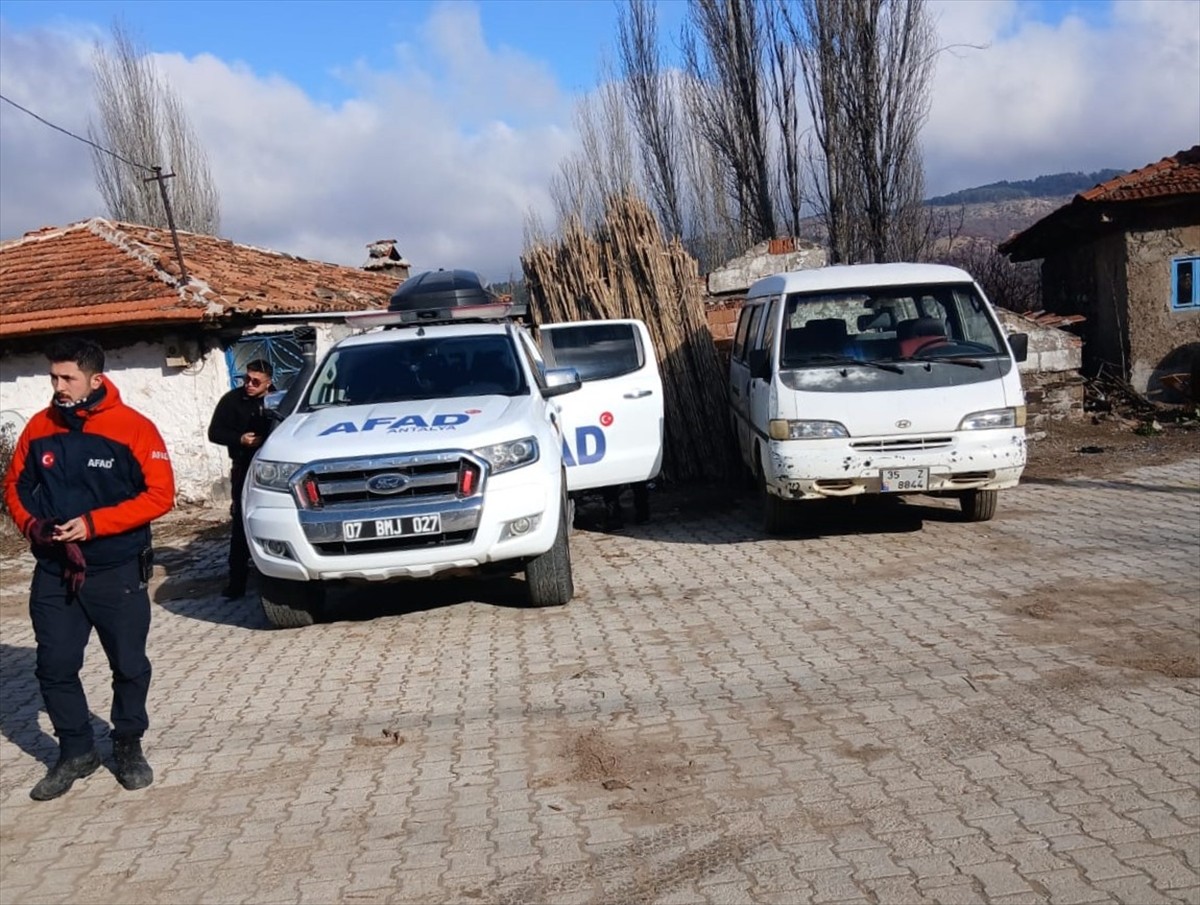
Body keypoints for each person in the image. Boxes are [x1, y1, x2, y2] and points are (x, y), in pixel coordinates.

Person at [2, 338, 176, 801]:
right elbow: (15, 487)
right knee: (54, 665)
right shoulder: (39, 427)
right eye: (53, 377)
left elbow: (160, 495)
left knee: (129, 665)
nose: (58, 387)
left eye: (67, 378)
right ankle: (77, 750)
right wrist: (34, 527)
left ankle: (127, 743)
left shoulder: (133, 428)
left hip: (116, 569)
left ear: (94, 379)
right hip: (55, 570)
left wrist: (95, 525)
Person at [207, 359, 274, 599]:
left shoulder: (279, 400)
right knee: (240, 523)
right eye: (246, 379)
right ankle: (236, 584)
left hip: (273, 467)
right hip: (243, 466)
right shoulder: (232, 400)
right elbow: (214, 432)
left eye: (256, 381)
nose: (249, 384)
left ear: (269, 383)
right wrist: (239, 439)